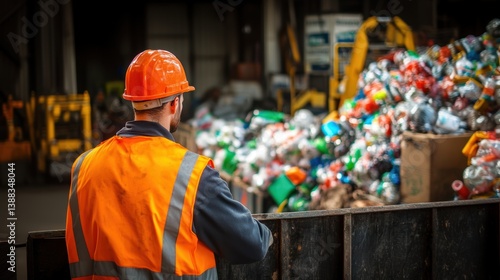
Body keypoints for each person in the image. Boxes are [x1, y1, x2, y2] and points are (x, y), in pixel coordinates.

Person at [65, 49, 273, 279]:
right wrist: (267, 234)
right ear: (175, 104)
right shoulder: (191, 175)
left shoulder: (84, 166)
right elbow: (251, 244)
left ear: (133, 101)